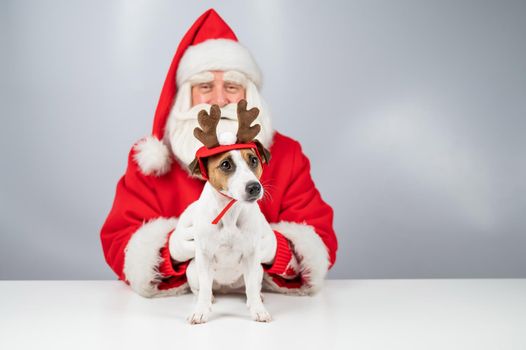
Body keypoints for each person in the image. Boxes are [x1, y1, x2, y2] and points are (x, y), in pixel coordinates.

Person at [100, 9, 338, 297]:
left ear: (249, 94)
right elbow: (118, 241)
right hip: (175, 319)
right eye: (204, 87)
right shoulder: (152, 160)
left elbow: (321, 241)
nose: (220, 100)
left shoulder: (286, 154)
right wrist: (169, 251)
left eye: (232, 86)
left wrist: (276, 249)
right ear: (186, 96)